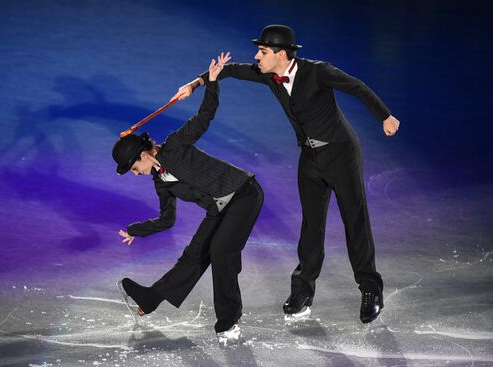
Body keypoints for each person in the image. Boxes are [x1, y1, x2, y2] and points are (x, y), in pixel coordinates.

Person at [173, 25, 400, 323]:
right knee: (311, 225)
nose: (256, 56)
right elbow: (230, 71)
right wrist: (196, 83)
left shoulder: (319, 72)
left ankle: (370, 289)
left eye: (263, 52)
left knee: (354, 220)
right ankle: (303, 291)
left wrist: (385, 115)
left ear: (281, 54)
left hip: (341, 153)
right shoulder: (269, 75)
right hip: (310, 157)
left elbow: (357, 86)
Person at [113, 54, 263, 344]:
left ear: (144, 155)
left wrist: (212, 82)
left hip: (243, 194)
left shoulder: (175, 145)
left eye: (134, 168)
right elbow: (167, 220)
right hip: (218, 209)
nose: (136, 174)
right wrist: (135, 230)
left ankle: (229, 319)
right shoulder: (160, 183)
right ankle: (150, 299)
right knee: (195, 255)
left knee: (221, 252)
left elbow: (204, 117)